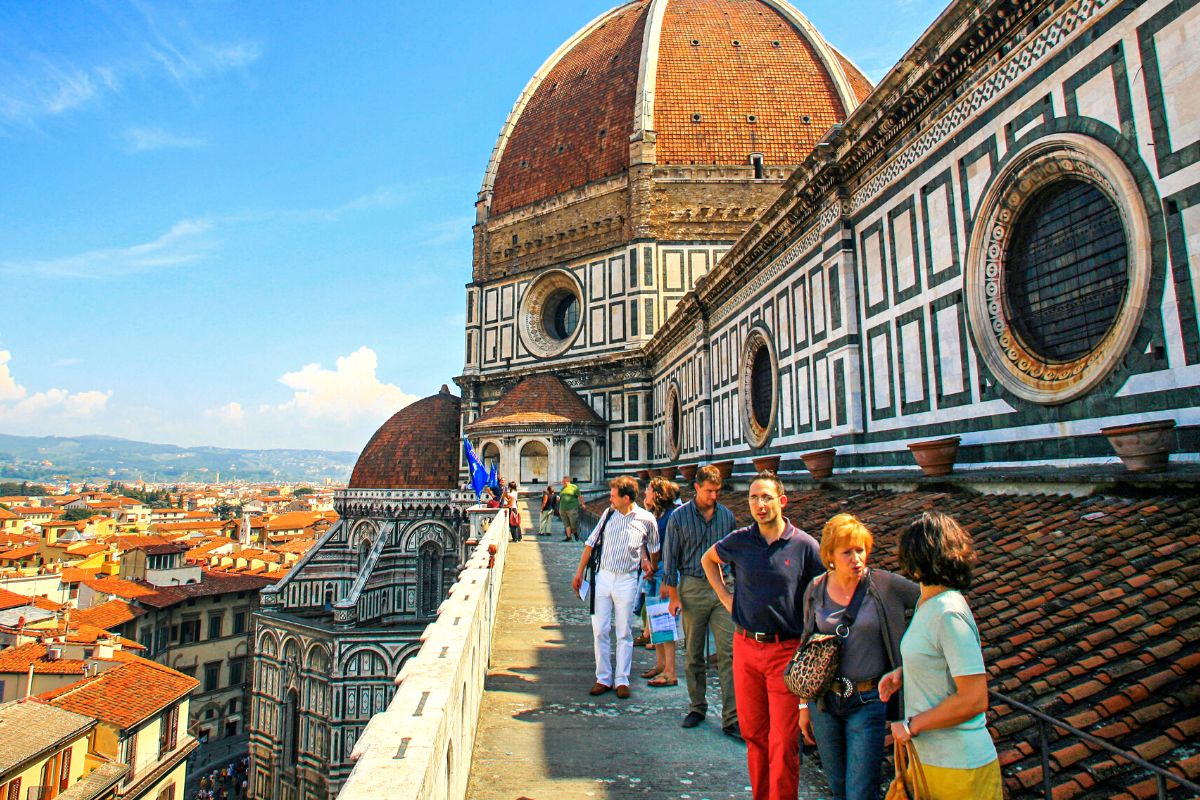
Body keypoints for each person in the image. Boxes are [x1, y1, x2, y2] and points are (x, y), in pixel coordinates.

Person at [700, 471, 822, 800]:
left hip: (786, 651)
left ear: (782, 501)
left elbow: (824, 590)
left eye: (766, 497)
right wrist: (728, 599)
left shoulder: (805, 546)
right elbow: (708, 560)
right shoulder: (740, 540)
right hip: (746, 647)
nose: (759, 504)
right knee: (754, 735)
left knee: (784, 740)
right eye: (754, 497)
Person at [880, 511, 1002, 799]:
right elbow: (936, 659)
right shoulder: (928, 604)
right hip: (934, 762)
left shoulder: (948, 613)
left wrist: (911, 726)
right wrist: (905, 674)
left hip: (960, 766)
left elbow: (974, 698)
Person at [800, 513, 919, 800]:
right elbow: (806, 648)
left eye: (860, 550)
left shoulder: (885, 585)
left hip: (868, 701)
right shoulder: (816, 589)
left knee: (860, 792)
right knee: (839, 788)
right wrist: (803, 706)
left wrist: (912, 653)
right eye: (847, 552)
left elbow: (930, 600)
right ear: (830, 556)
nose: (856, 558)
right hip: (825, 702)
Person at [663, 464, 739, 734]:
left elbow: (735, 555)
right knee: (694, 653)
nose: (714, 496)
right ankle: (697, 707)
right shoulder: (679, 518)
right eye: (709, 491)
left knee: (728, 654)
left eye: (717, 491)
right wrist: (673, 596)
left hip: (722, 590)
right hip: (692, 587)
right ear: (696, 488)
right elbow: (670, 559)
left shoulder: (727, 517)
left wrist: (732, 588)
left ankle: (731, 719)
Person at [571, 475, 659, 699]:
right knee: (600, 629)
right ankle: (603, 677)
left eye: (613, 495)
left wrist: (650, 563)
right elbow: (591, 543)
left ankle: (622, 679)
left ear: (626, 497)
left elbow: (654, 545)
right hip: (604, 577)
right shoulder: (608, 514)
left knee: (624, 632)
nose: (610, 498)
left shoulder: (646, 519)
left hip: (627, 579)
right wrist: (579, 572)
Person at [640, 476, 681, 687]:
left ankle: (670, 671)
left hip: (665, 573)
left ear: (657, 493)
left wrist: (666, 578)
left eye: (647, 489)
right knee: (656, 621)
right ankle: (659, 665)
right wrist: (647, 563)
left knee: (666, 622)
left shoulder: (672, 516)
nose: (644, 492)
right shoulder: (655, 515)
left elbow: (673, 550)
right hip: (655, 573)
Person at [558, 475, 582, 541]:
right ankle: (569, 537)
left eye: (563, 481)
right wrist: (558, 498)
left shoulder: (574, 487)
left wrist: (583, 504)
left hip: (572, 508)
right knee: (566, 524)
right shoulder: (563, 488)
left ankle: (575, 534)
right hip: (563, 509)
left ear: (566, 481)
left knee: (573, 523)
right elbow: (560, 496)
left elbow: (580, 496)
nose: (562, 482)